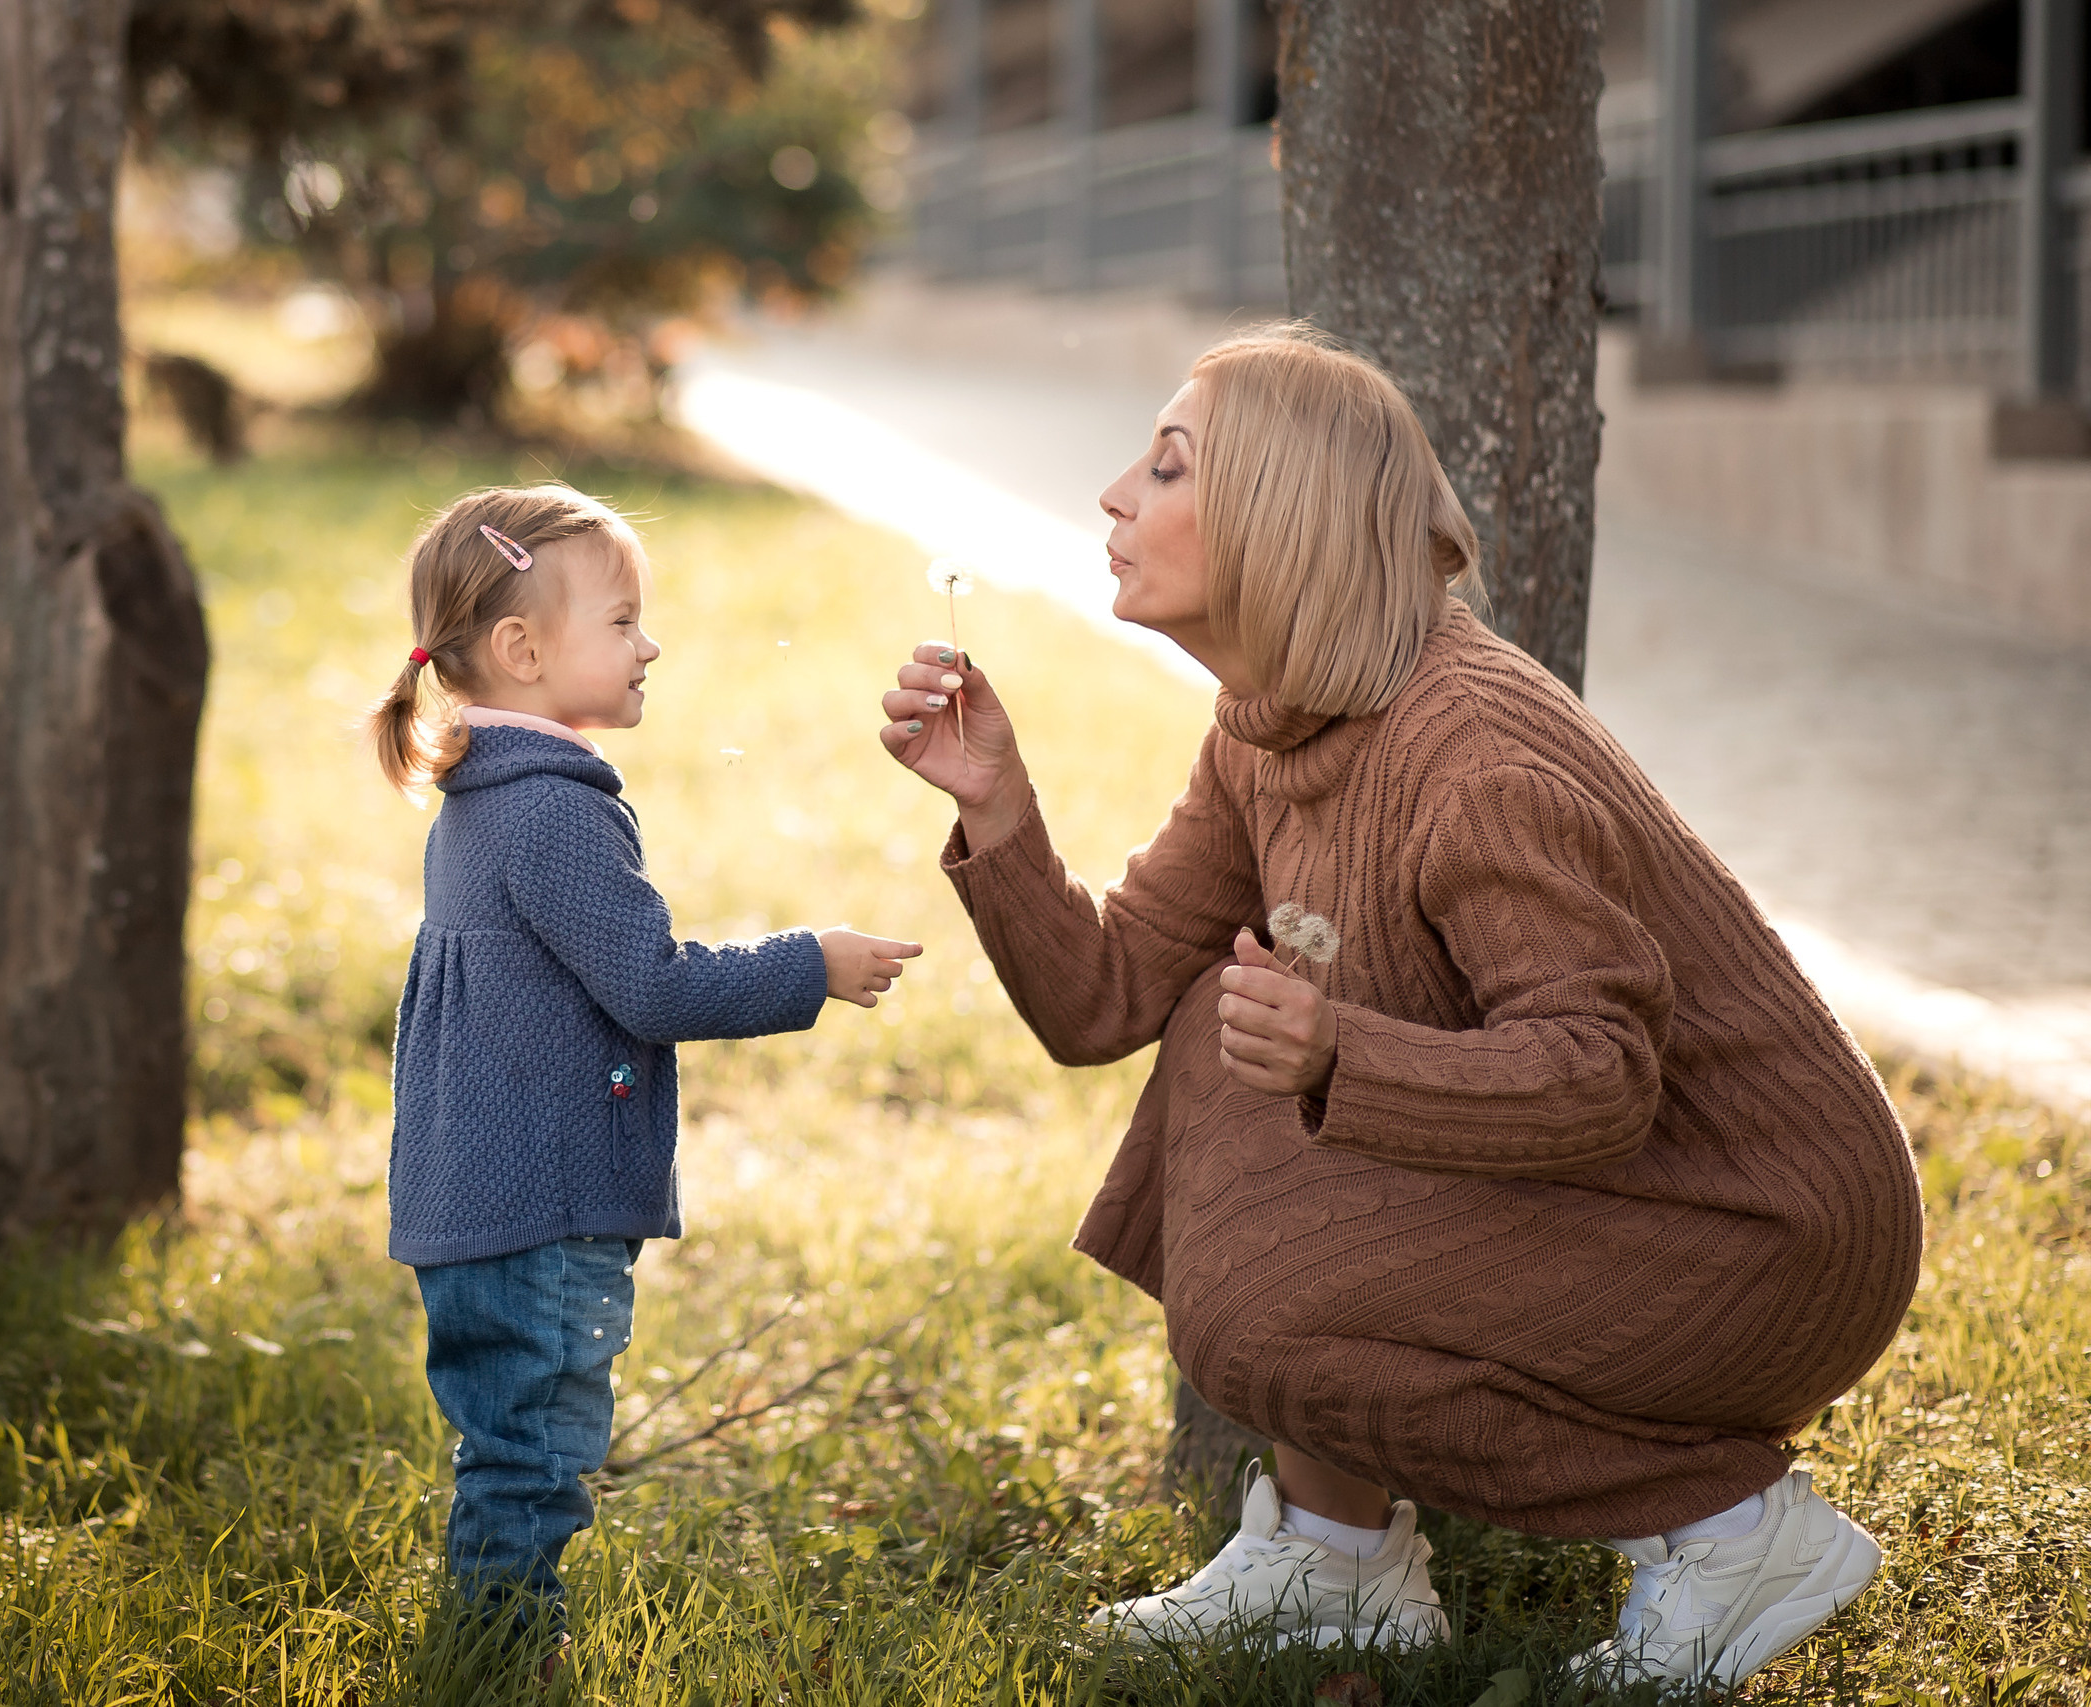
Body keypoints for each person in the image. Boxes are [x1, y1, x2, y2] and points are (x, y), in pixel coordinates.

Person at [876, 325, 1921, 1686]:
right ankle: (1337, 1558)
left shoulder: (1473, 752)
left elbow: (1601, 1073)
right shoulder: (1273, 723)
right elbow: (1108, 997)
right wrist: (999, 808)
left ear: (1276, 516)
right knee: (1222, 1023)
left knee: (1265, 1306)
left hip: (1764, 1232)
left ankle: (1730, 1530)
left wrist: (1336, 1049)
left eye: (1168, 465)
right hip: (1645, 1192)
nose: (1114, 494)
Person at [371, 484, 920, 1665]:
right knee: (535, 1458)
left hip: (476, 1202)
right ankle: (501, 1657)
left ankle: (494, 1643)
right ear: (521, 651)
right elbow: (655, 988)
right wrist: (806, 965)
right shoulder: (553, 815)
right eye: (622, 623)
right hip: (540, 1210)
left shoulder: (481, 802)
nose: (649, 644)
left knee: (508, 1443)